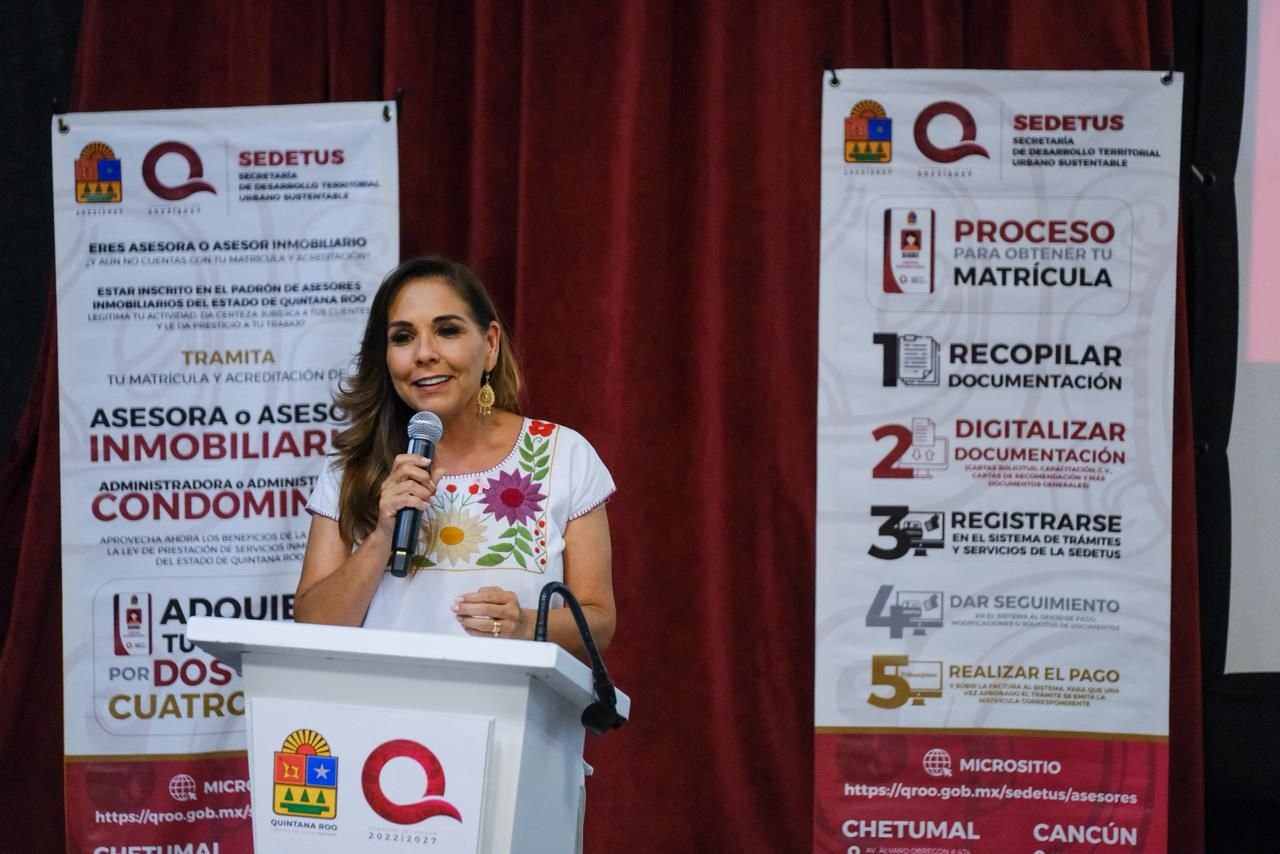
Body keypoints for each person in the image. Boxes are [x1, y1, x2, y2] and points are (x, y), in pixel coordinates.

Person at [295, 256, 616, 661]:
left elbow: (599, 621)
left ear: (491, 344)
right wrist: (380, 537)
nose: (424, 353)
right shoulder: (353, 464)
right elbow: (312, 626)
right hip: (384, 718)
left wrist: (524, 624)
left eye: (447, 331)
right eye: (402, 337)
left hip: (515, 715)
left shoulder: (563, 455)